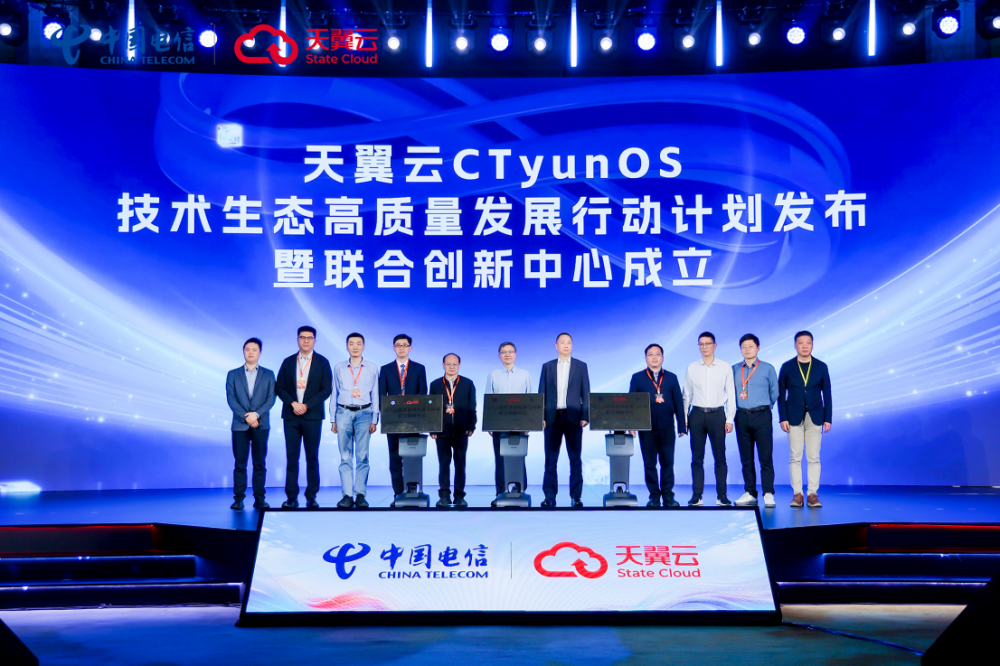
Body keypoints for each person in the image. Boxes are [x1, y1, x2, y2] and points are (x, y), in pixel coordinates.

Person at [275, 326, 333, 509]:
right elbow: (279, 387)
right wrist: (293, 403)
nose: (306, 341)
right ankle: (291, 497)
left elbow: (326, 389)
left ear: (314, 340)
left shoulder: (322, 362)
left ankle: (311, 496)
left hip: (312, 416)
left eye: (309, 337)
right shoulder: (288, 362)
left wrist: (306, 405)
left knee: (312, 458)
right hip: (291, 416)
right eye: (302, 337)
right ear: (297, 340)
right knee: (292, 458)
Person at [778, 330, 832, 509]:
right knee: (795, 456)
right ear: (795, 345)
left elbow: (827, 393)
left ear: (812, 345)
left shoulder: (821, 366)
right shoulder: (787, 367)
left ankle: (813, 494)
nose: (804, 346)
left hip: (815, 416)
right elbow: (781, 394)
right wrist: (783, 417)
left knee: (813, 457)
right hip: (793, 416)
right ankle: (797, 494)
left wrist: (828, 418)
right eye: (801, 342)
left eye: (808, 342)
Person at [628, 344, 686, 507]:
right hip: (646, 428)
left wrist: (682, 426)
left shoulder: (672, 377)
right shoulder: (637, 378)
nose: (654, 357)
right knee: (650, 464)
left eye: (657, 354)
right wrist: (632, 425)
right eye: (650, 354)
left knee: (667, 463)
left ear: (663, 358)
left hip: (667, 427)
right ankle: (654, 496)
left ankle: (668, 495)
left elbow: (678, 402)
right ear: (645, 358)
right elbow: (631, 403)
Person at [683, 331, 736, 507]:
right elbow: (686, 395)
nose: (704, 347)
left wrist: (730, 419)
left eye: (708, 343)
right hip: (696, 415)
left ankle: (722, 495)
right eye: (701, 344)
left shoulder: (724, 367)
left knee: (720, 457)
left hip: (717, 415)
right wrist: (684, 418)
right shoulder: (692, 367)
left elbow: (731, 394)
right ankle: (697, 495)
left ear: (714, 345)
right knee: (697, 458)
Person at [539, 332, 591, 508]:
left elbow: (586, 392)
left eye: (569, 342)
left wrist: (585, 415)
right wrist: (541, 416)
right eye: (562, 342)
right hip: (552, 418)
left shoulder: (581, 366)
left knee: (575, 459)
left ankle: (576, 497)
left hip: (574, 417)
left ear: (572, 346)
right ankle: (549, 496)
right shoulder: (547, 366)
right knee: (550, 460)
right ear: (556, 346)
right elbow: (541, 393)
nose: (566, 345)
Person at [225, 337, 276, 510]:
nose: (251, 352)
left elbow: (271, 399)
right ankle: (238, 499)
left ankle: (259, 499)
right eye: (247, 349)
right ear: (243, 352)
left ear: (260, 353)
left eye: (254, 349)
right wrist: (247, 417)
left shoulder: (268, 374)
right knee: (240, 464)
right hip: (240, 426)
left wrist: (256, 415)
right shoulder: (233, 374)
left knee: (259, 463)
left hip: (261, 425)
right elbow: (231, 399)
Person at [330, 332, 379, 510]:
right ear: (347, 346)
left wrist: (375, 418)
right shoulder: (339, 367)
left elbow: (375, 394)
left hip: (364, 413)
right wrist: (333, 418)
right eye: (351, 343)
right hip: (343, 412)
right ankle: (347, 495)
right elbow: (334, 392)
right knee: (345, 456)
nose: (355, 347)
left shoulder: (372, 367)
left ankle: (360, 495)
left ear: (363, 346)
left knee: (362, 456)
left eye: (358, 343)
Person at [378, 334, 427, 506]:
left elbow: (423, 395)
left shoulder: (419, 368)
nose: (401, 348)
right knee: (395, 457)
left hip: (413, 420)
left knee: (412, 456)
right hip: (393, 421)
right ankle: (398, 493)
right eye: (398, 345)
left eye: (404, 345)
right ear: (394, 348)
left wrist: (420, 419)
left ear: (410, 348)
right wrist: (385, 417)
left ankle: (413, 490)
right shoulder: (385, 369)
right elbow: (382, 396)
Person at [732, 334, 779, 508]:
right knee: (746, 458)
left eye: (750, 346)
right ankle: (750, 492)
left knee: (765, 457)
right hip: (741, 416)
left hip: (762, 415)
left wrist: (765, 405)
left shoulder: (768, 368)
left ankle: (768, 493)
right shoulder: (734, 369)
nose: (747, 349)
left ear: (758, 348)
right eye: (743, 346)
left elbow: (775, 392)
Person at [484, 341, 532, 507]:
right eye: (504, 352)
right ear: (499, 356)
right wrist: (490, 424)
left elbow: (530, 399)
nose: (507, 354)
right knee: (500, 459)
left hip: (520, 423)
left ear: (515, 355)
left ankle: (520, 490)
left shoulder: (525, 374)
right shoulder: (493, 375)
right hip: (499, 423)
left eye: (510, 351)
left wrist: (529, 423)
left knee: (519, 457)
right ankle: (500, 492)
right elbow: (489, 399)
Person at [429, 354, 477, 508]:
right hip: (442, 430)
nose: (451, 367)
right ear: (443, 365)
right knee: (444, 463)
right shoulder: (435, 384)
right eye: (448, 364)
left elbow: (472, 406)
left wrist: (471, 426)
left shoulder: (467, 384)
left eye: (454, 364)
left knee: (460, 464)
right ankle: (444, 497)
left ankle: (459, 497)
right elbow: (431, 408)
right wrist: (432, 428)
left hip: (461, 430)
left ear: (459, 365)